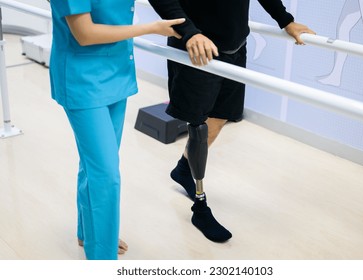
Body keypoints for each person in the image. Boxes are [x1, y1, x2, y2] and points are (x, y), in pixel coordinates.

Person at [148, 0, 316, 242]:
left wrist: (285, 20)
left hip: (234, 48)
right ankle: (200, 205)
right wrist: (189, 32)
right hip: (197, 49)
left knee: (219, 118)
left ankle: (183, 170)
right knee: (199, 126)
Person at [48, 0, 184, 260]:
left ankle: (89, 233)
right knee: (106, 173)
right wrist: (152, 28)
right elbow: (84, 33)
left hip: (116, 73)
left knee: (96, 163)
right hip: (82, 78)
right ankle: (102, 255)